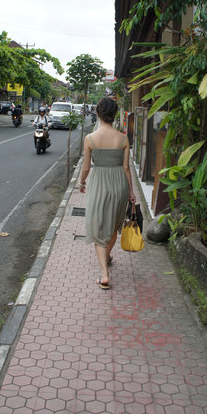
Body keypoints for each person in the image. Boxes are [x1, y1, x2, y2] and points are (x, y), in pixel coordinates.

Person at [79, 97, 136, 290]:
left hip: (99, 184)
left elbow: (86, 168)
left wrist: (81, 182)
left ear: (98, 113)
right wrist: (131, 192)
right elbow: (127, 168)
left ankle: (104, 274)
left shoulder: (90, 139)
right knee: (112, 226)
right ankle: (108, 256)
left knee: (98, 227)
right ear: (114, 115)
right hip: (119, 184)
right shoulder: (123, 138)